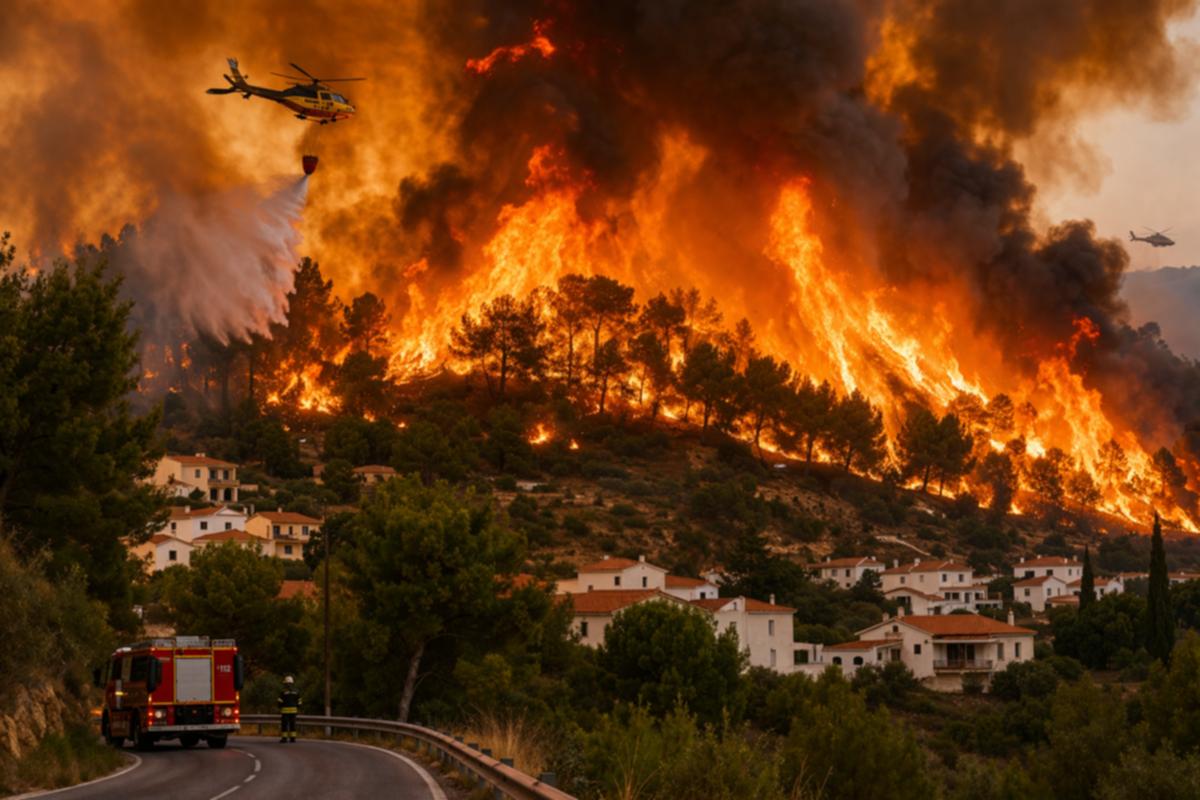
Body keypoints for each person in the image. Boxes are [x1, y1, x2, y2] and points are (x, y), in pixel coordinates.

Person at [278, 675, 301, 743]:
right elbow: (300, 701)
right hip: (294, 711)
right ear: (292, 683)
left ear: (286, 683)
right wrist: (297, 707)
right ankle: (293, 738)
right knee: (292, 724)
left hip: (285, 711)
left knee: (284, 725)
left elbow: (279, 701)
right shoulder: (297, 691)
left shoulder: (283, 692)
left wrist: (280, 707)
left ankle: (284, 738)